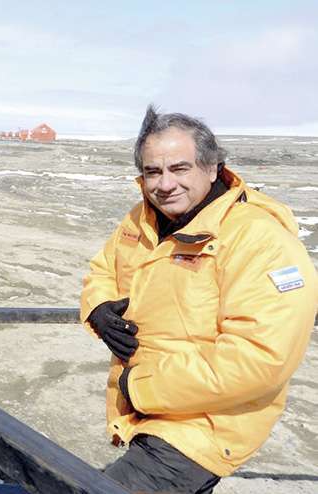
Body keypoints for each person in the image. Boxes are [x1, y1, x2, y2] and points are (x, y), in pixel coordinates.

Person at [80, 105, 317, 493]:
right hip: (151, 413)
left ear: (212, 168)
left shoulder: (259, 240)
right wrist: (99, 308)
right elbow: (102, 270)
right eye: (153, 172)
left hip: (204, 426)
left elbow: (258, 358)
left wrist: (136, 385)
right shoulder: (141, 220)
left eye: (180, 168)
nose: (165, 184)